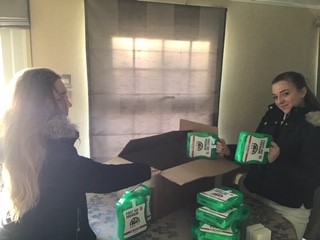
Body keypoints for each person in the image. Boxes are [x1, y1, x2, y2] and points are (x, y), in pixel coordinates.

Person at [0, 68, 156, 240]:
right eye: (62, 96)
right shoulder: (52, 154)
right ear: (43, 102)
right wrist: (147, 170)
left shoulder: (17, 138)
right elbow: (103, 178)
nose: (69, 103)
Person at [217, 71, 320, 240]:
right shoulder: (272, 115)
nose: (279, 101)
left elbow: (312, 179)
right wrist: (229, 151)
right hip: (256, 196)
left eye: (285, 94)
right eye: (275, 96)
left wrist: (279, 160)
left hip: (288, 207)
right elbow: (253, 150)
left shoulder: (313, 126)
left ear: (302, 92)